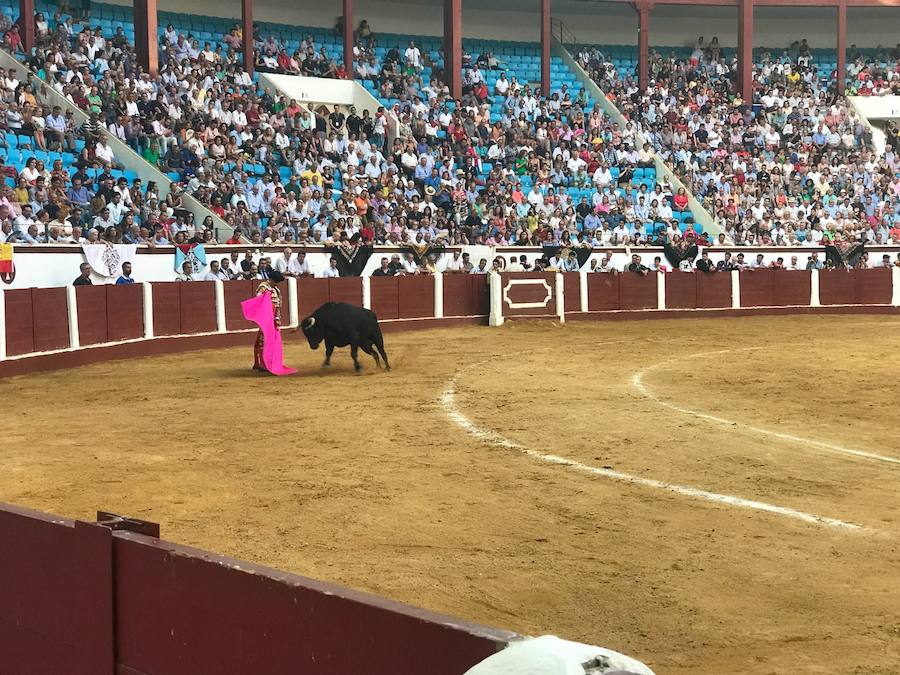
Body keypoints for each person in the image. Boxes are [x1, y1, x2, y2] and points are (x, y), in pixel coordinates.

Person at [253, 269, 284, 371]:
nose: (277, 284)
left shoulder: (276, 290)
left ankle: (265, 362)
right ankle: (263, 364)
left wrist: (277, 318)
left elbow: (278, 306)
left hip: (273, 319)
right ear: (270, 279)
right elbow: (258, 300)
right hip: (265, 318)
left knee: (271, 341)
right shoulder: (263, 287)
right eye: (275, 282)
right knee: (263, 340)